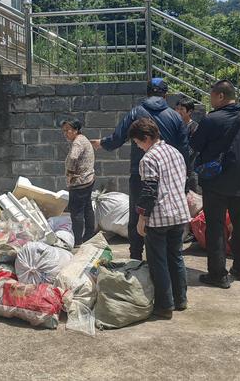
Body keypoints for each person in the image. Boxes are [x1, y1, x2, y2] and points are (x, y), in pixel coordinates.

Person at [91, 78, 189, 260]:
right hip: (171, 175)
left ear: (147, 93)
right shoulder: (175, 117)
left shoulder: (136, 112)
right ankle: (168, 257)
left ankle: (136, 257)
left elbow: (118, 138)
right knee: (169, 214)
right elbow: (184, 150)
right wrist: (185, 179)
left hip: (141, 174)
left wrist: (102, 143)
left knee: (139, 214)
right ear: (165, 95)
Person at [190, 80, 240, 288]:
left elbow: (195, 145)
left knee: (215, 227)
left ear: (220, 96)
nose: (210, 99)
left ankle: (218, 274)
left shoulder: (211, 120)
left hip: (216, 182)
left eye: (212, 95)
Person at [129, 118, 191, 319]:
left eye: (138, 143)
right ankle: (180, 299)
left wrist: (141, 218)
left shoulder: (148, 159)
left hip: (159, 216)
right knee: (176, 256)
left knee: (158, 262)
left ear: (146, 138)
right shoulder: (175, 152)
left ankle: (164, 306)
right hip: (179, 213)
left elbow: (149, 191)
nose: (138, 147)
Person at [61, 119, 96, 246]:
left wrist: (70, 173)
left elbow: (73, 157)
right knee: (87, 208)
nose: (65, 133)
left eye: (68, 130)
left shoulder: (77, 143)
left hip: (80, 182)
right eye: (64, 131)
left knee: (76, 212)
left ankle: (77, 241)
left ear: (76, 130)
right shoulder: (83, 139)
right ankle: (89, 236)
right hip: (88, 179)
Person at [175, 98, 199, 193]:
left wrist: (179, 158)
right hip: (177, 167)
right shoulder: (175, 125)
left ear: (190, 111)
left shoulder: (194, 127)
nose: (178, 111)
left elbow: (192, 148)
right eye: (177, 109)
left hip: (190, 167)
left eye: (181, 109)